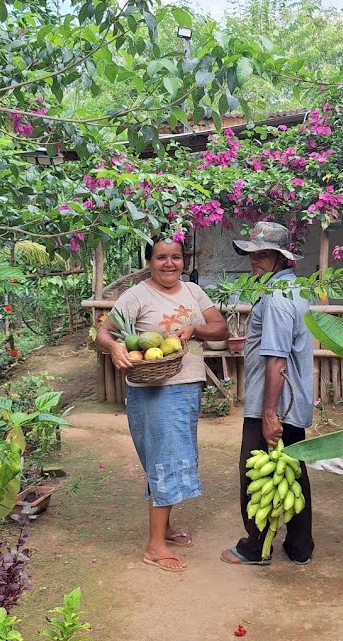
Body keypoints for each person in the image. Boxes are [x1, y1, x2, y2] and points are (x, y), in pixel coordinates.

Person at [97, 235, 228, 572]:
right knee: (165, 460)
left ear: (184, 261)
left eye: (176, 257)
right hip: (153, 389)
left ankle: (163, 529)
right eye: (161, 257)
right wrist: (115, 349)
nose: (169, 263)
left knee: (167, 457)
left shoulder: (194, 292)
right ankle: (155, 546)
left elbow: (221, 327)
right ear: (150, 262)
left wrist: (194, 330)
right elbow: (104, 332)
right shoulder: (137, 294)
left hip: (186, 387)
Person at [220, 221, 315, 566]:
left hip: (272, 401)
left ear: (281, 258)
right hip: (293, 399)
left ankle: (255, 547)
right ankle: (300, 546)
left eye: (263, 254)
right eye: (252, 253)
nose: (254, 259)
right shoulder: (294, 289)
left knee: (255, 472)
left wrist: (269, 414)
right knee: (293, 471)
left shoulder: (276, 299)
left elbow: (276, 360)